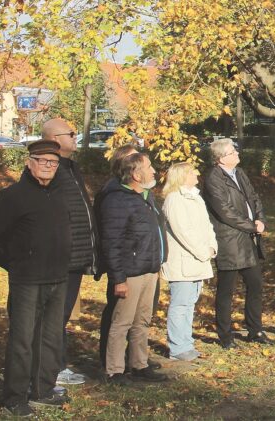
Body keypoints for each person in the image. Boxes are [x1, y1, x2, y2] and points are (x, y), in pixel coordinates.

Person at [0, 140, 71, 415]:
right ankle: (14, 397)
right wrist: (17, 265)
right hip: (27, 280)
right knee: (23, 340)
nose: (48, 167)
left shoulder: (59, 194)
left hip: (58, 277)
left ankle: (42, 390)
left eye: (53, 163)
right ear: (29, 162)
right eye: (42, 161)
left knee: (50, 338)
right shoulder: (13, 196)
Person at [40, 118, 99, 388]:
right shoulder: (48, 169)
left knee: (61, 316)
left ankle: (58, 365)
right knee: (52, 317)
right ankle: (48, 371)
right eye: (71, 133)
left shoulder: (71, 168)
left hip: (76, 256)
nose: (76, 137)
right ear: (53, 139)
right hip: (59, 257)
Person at [99, 151, 168, 383]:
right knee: (122, 322)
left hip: (149, 269)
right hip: (130, 273)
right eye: (149, 167)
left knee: (142, 320)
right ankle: (114, 370)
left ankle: (139, 364)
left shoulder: (145, 197)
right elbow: (112, 242)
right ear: (136, 174)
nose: (154, 171)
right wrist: (119, 278)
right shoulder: (117, 200)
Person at [204, 138, 273, 347]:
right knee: (227, 290)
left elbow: (253, 197)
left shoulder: (239, 173)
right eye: (233, 152)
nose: (237, 153)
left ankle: (255, 330)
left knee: (256, 285)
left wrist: (260, 219)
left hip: (248, 238)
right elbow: (224, 211)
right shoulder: (213, 178)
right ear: (222, 158)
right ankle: (225, 336)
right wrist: (251, 225)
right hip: (229, 239)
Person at [160, 162, 217, 361]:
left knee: (189, 304)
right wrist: (203, 251)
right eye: (193, 172)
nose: (197, 175)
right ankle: (177, 347)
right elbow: (183, 231)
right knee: (180, 304)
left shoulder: (196, 197)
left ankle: (186, 343)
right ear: (182, 176)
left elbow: (207, 226)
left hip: (199, 260)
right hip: (183, 262)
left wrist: (212, 246)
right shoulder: (174, 199)